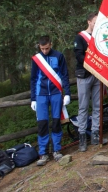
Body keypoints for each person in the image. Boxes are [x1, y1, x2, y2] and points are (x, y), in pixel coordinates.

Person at [30, 35, 70, 166]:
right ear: (39, 47)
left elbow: (64, 75)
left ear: (50, 44)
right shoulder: (37, 59)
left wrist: (67, 94)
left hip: (55, 93)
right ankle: (43, 153)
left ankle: (57, 150)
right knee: (42, 124)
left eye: (47, 48)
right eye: (42, 49)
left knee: (57, 121)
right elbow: (33, 79)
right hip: (41, 94)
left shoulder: (59, 56)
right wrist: (33, 99)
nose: (45, 51)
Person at [74, 12, 103, 152]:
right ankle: (82, 137)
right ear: (89, 22)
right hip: (85, 75)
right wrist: (91, 63)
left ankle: (96, 133)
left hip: (97, 75)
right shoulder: (80, 37)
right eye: (95, 21)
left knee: (97, 105)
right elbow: (78, 55)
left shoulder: (99, 37)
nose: (97, 24)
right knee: (83, 106)